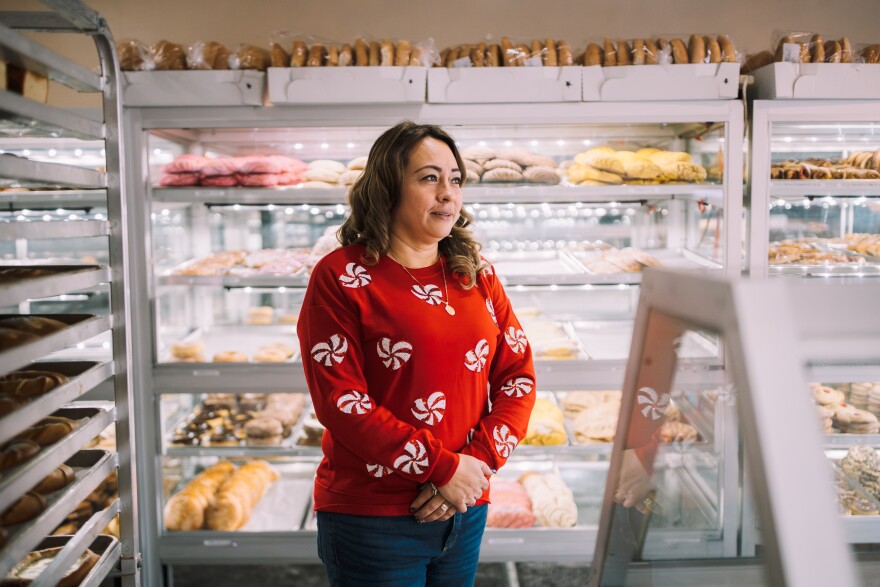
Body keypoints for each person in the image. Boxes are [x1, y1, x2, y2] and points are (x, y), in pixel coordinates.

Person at [297, 120, 536, 586]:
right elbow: (342, 402)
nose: (448, 193)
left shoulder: (477, 274)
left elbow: (518, 378)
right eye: (429, 178)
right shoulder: (340, 276)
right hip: (373, 518)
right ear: (388, 187)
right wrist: (443, 468)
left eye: (455, 180)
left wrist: (476, 466)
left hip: (465, 504)